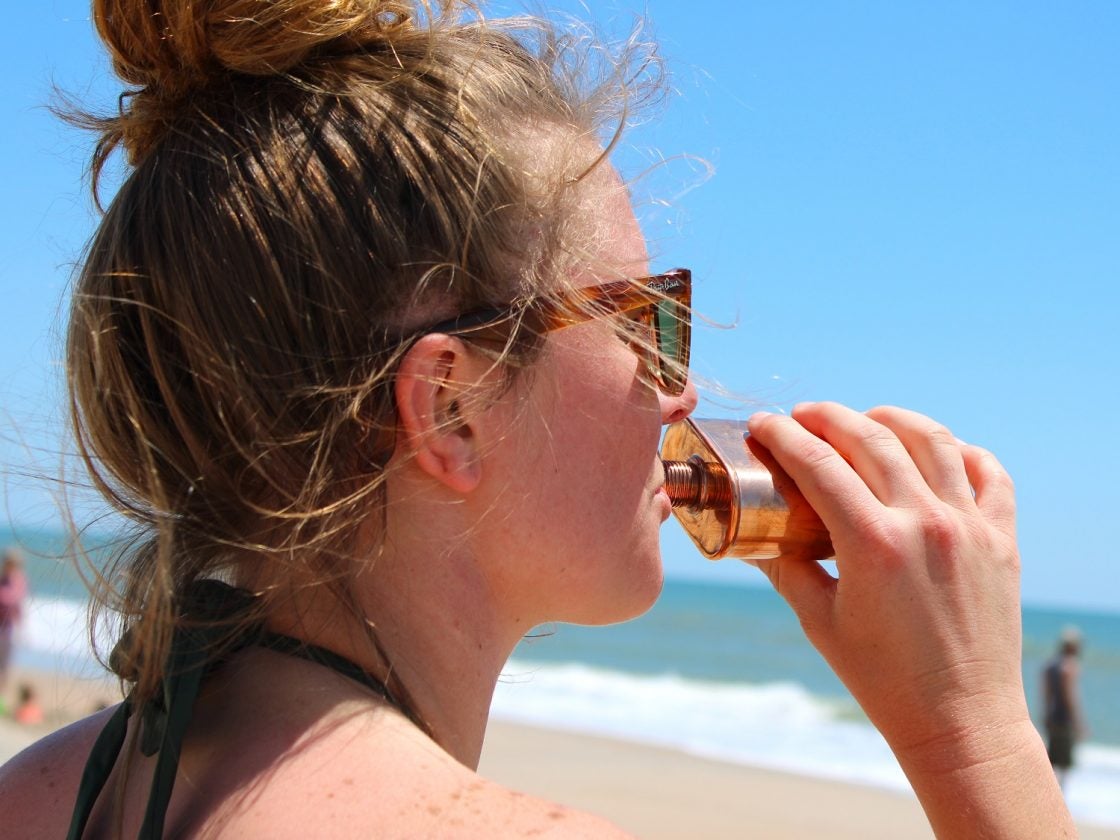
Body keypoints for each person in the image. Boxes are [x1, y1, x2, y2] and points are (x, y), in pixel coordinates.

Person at [0, 0, 1075, 837]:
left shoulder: (43, 794)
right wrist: (972, 739)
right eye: (646, 320)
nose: (679, 391)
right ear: (449, 408)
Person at [1042, 627, 1087, 789]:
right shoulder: (1070, 665)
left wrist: (1046, 714)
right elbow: (1071, 697)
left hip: (1053, 717)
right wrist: (1079, 723)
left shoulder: (1050, 665)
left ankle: (1048, 793)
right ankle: (1058, 797)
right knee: (1065, 765)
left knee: (1052, 761)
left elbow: (1046, 694)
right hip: (1065, 719)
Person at [0, 547, 29, 706]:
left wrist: (21, 628)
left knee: (5, 666)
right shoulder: (2, 579)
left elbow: (17, 605)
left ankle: (1, 699)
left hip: (9, 628)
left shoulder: (19, 581)